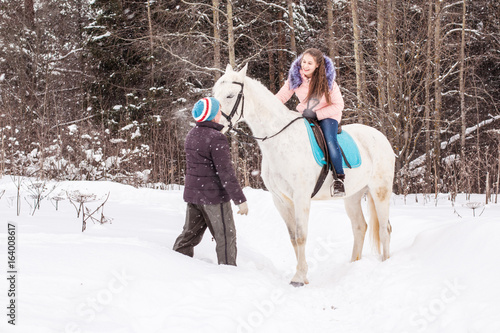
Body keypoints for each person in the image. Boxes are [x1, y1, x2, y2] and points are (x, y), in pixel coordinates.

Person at [173, 97, 248, 265]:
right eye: (219, 111)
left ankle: (175, 264)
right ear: (213, 115)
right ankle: (229, 272)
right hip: (214, 199)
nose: (221, 114)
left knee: (189, 235)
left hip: (194, 197)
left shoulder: (192, 134)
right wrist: (240, 200)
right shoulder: (216, 138)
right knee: (226, 237)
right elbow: (226, 173)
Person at [275, 48, 346, 197]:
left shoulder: (329, 82)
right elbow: (281, 97)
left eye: (310, 63)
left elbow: (339, 105)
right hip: (306, 114)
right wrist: (267, 106)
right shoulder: (295, 79)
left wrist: (317, 114)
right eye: (304, 62)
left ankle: (339, 179)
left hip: (328, 115)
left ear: (318, 65)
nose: (305, 66)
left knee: (330, 141)